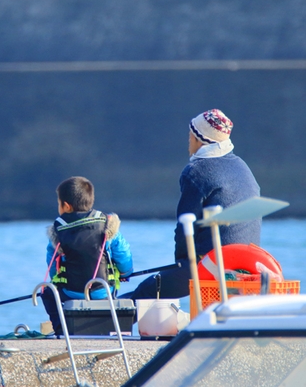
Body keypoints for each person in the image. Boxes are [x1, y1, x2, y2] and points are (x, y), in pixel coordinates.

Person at [122, 108, 261, 300]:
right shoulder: (243, 167)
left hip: (216, 265)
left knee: (148, 289)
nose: (188, 140)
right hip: (249, 265)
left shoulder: (196, 171)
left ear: (198, 138)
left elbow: (185, 227)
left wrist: (181, 265)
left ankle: (100, 326)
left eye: (190, 135)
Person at [41, 176, 133, 334]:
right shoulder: (107, 225)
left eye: (59, 203)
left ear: (67, 206)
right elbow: (123, 255)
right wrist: (125, 273)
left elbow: (53, 268)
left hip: (70, 293)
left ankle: (61, 330)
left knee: (47, 292)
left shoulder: (57, 231)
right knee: (116, 289)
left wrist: (57, 280)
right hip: (104, 291)